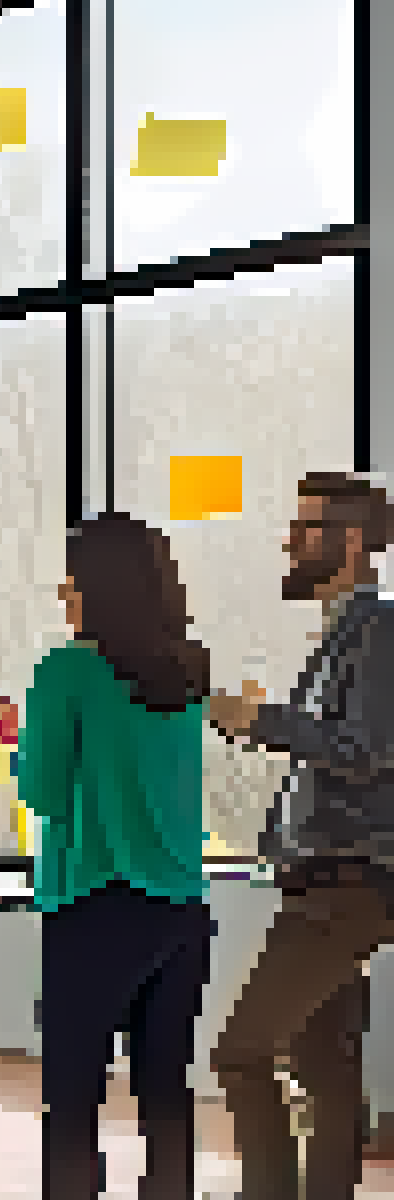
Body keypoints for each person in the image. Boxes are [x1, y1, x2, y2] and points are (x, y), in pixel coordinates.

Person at [0, 515, 216, 1200]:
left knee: (73, 1101)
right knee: (166, 1095)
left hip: (97, 902)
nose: (63, 590)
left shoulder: (67, 666)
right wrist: (23, 724)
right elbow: (125, 758)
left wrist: (16, 737)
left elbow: (46, 791)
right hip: (183, 907)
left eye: (72, 576)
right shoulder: (187, 667)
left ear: (100, 584)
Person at [207, 472, 394, 1200]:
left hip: (348, 883)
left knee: (241, 1054)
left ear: (348, 541)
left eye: (305, 527)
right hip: (327, 878)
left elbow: (369, 749)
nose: (288, 540)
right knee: (326, 1069)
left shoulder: (377, 628)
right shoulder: (350, 631)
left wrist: (264, 723)